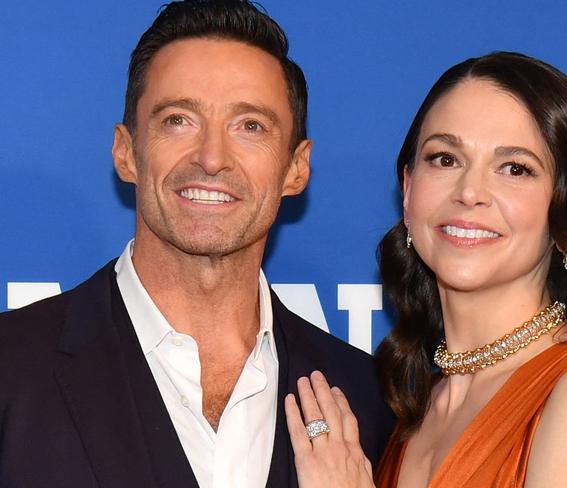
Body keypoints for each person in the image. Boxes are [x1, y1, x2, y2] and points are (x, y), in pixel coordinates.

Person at [0, 1, 394, 487]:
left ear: (296, 168)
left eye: (250, 126)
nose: (211, 158)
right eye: (178, 120)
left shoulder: (366, 399)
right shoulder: (11, 366)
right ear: (126, 152)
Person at [286, 52, 567, 487]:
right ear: (407, 190)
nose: (470, 192)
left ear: (566, 210)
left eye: (515, 169)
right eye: (445, 159)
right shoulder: (413, 410)